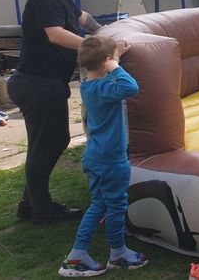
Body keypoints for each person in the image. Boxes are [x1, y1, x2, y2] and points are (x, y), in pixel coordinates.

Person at [8, 0, 103, 224]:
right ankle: (41, 210)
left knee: (47, 143)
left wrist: (103, 30)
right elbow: (56, 34)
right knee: (48, 144)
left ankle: (31, 204)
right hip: (37, 84)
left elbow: (81, 18)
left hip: (42, 83)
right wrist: (100, 46)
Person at [58, 35, 147, 277]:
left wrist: (112, 57)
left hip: (95, 157)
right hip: (111, 160)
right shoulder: (106, 88)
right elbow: (131, 87)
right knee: (116, 206)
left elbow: (106, 76)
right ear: (106, 63)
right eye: (111, 59)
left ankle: (77, 255)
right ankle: (118, 254)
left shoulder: (88, 85)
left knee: (98, 205)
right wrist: (116, 64)